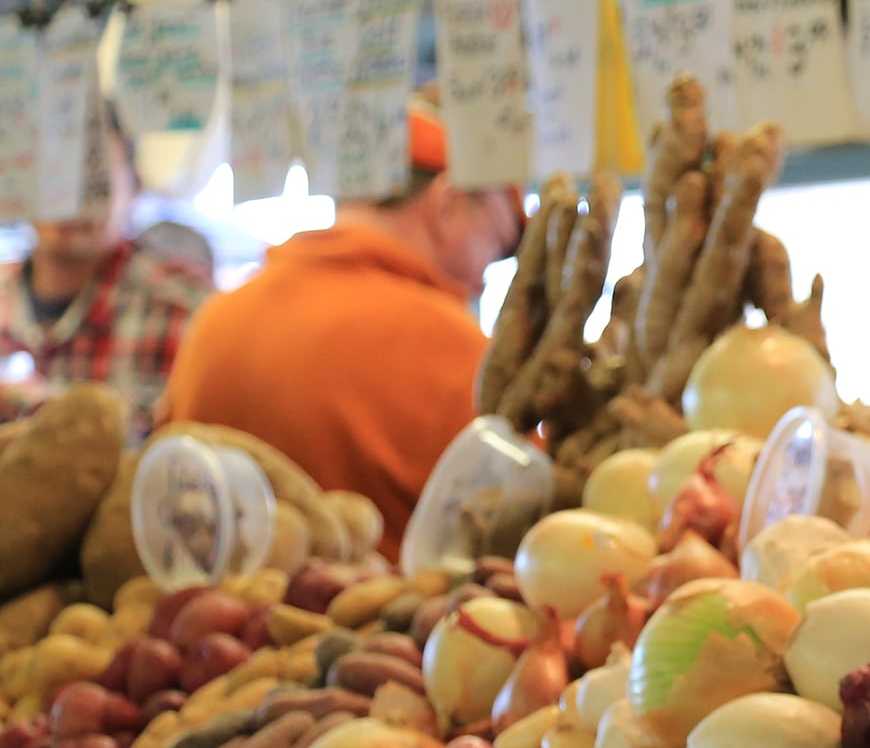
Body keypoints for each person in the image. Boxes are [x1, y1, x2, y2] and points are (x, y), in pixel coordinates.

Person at [164, 100, 520, 560]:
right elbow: (522, 529)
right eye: (497, 244)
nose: (485, 275)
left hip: (204, 625)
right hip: (390, 628)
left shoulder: (216, 319)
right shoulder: (454, 345)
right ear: (449, 203)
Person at [0, 110, 212, 428]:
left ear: (134, 186)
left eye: (94, 178)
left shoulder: (188, 309)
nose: (72, 200)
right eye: (55, 173)